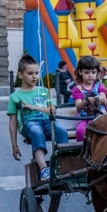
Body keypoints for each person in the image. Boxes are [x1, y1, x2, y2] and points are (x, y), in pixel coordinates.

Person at [8, 54, 68, 182]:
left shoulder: (44, 91)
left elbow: (53, 110)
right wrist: (14, 145)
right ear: (20, 75)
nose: (34, 76)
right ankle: (43, 168)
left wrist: (33, 107)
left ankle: (63, 165)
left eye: (36, 73)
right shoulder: (14, 97)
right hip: (29, 124)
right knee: (36, 131)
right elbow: (13, 123)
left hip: (47, 121)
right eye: (30, 73)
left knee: (61, 130)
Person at [72, 56, 107, 141]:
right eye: (87, 72)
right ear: (80, 72)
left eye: (93, 72)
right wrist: (85, 101)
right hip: (84, 118)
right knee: (81, 131)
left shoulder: (99, 85)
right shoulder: (78, 89)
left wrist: (101, 98)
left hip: (100, 117)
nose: (90, 75)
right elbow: (78, 106)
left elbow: (105, 102)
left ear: (97, 73)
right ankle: (82, 150)